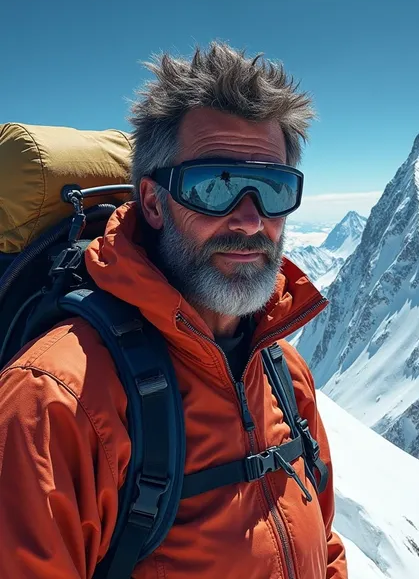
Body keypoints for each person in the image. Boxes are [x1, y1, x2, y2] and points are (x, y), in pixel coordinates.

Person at [0, 43, 347, 578]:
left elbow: (321, 545)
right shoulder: (55, 405)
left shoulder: (284, 374)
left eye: (273, 189)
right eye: (216, 187)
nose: (252, 220)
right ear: (155, 202)